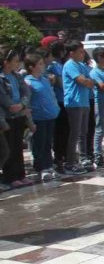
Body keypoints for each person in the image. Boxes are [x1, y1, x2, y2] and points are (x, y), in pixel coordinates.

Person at [1, 47, 34, 188]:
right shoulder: (1, 78)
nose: (17, 63)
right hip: (8, 116)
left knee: (18, 147)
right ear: (5, 62)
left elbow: (26, 91)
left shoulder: (17, 76)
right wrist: (12, 106)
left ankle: (21, 174)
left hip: (19, 114)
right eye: (15, 61)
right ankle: (10, 176)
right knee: (10, 148)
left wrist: (21, 104)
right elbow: (4, 98)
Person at [23, 53, 58, 181]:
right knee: (40, 143)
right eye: (40, 64)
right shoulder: (28, 82)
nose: (43, 66)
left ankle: (49, 165)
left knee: (48, 143)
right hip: (38, 117)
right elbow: (27, 102)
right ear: (32, 67)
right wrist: (30, 121)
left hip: (49, 116)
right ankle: (41, 167)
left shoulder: (44, 79)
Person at [62, 42, 94, 174]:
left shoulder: (82, 65)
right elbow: (83, 81)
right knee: (75, 133)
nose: (83, 54)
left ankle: (83, 157)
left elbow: (92, 80)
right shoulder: (70, 65)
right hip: (74, 102)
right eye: (80, 51)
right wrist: (88, 81)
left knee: (83, 132)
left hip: (84, 101)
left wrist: (89, 82)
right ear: (72, 53)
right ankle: (70, 162)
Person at [46, 41, 68, 172]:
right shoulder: (54, 66)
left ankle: (63, 154)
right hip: (59, 100)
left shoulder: (60, 65)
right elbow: (60, 84)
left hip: (63, 101)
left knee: (65, 131)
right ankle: (58, 156)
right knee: (59, 131)